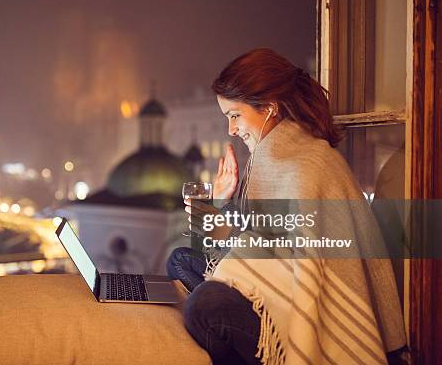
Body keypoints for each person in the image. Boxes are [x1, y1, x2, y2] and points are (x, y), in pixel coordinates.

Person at [166, 48, 406, 364]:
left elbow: (301, 265)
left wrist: (222, 228)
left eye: (235, 115)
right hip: (277, 286)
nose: (232, 130)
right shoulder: (270, 160)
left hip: (311, 309)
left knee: (206, 305)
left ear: (268, 108)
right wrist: (224, 203)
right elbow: (261, 248)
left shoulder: (308, 164)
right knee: (181, 260)